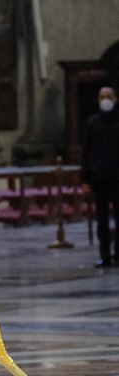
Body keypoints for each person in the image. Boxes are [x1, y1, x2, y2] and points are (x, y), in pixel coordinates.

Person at [81, 86, 119, 268]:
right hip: (99, 178)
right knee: (102, 220)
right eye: (102, 96)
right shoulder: (92, 123)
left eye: (108, 96)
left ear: (115, 99)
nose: (105, 99)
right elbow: (86, 153)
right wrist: (85, 180)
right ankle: (105, 256)